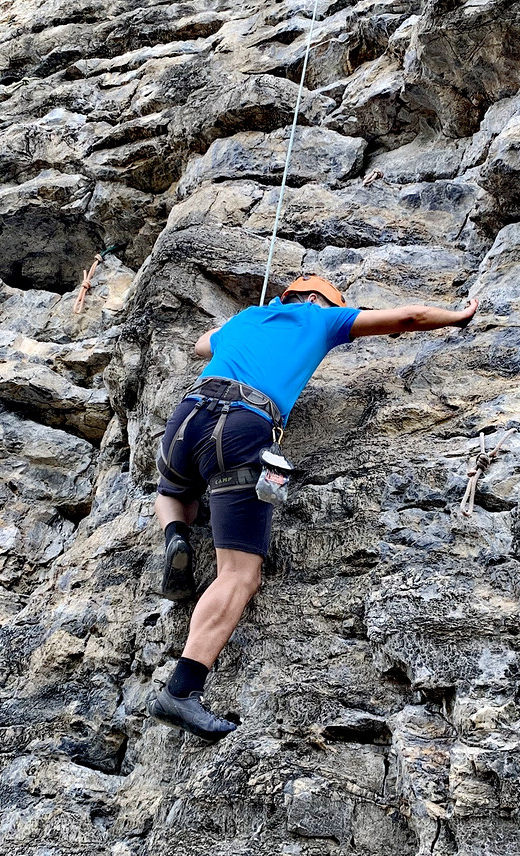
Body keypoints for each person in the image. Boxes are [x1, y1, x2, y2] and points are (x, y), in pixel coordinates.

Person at [146, 275, 478, 738]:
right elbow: (408, 318)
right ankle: (180, 691)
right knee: (240, 574)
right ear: (324, 300)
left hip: (186, 419)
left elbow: (204, 346)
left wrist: (255, 323)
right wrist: (460, 313)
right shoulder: (322, 318)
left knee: (173, 489)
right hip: (241, 425)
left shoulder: (247, 318)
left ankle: (175, 535)